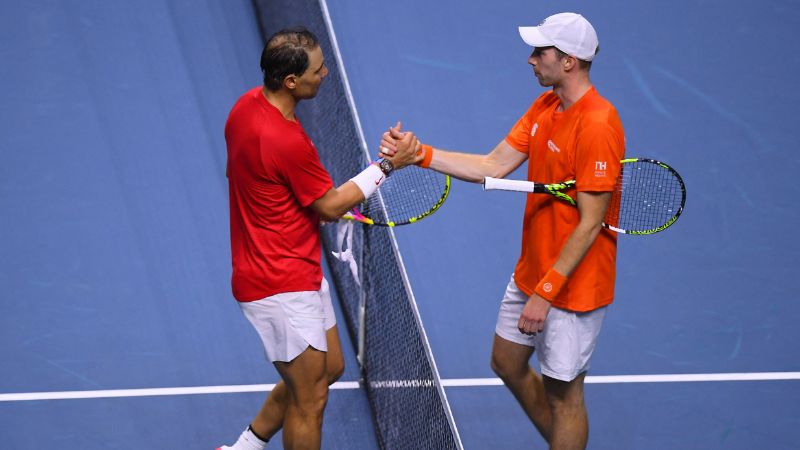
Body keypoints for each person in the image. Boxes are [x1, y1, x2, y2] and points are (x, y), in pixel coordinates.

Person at [380, 12, 625, 450]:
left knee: (565, 396)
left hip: (572, 287)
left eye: (541, 52)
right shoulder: (546, 106)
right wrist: (420, 155)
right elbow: (493, 164)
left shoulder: (598, 125)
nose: (531, 59)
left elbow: (590, 223)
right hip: (532, 270)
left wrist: (546, 293)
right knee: (507, 361)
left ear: (568, 61)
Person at [220, 27, 419, 450]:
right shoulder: (286, 140)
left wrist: (298, 208)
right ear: (290, 81)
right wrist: (386, 166)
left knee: (328, 367)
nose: (326, 73)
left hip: (292, 269)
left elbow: (257, 180)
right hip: (279, 283)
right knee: (310, 399)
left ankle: (244, 448)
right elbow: (327, 206)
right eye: (317, 68)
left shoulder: (244, 109)